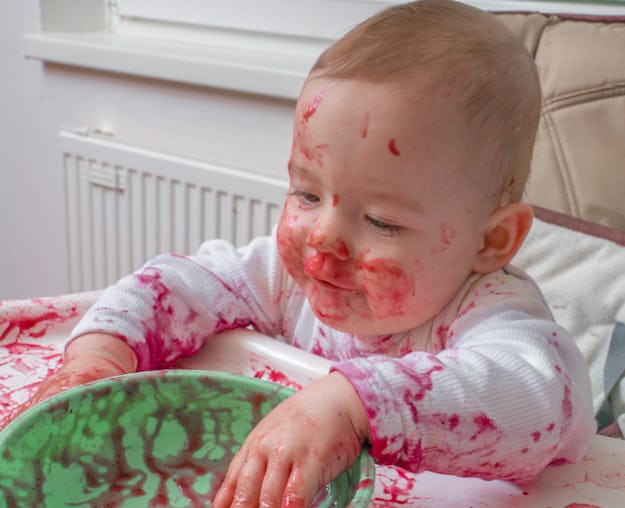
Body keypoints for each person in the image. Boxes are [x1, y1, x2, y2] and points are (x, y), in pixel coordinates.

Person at [20, 1, 595, 506]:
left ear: (490, 241)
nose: (322, 238)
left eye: (381, 220)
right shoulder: (285, 277)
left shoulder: (495, 309)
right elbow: (174, 285)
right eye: (306, 192)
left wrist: (354, 406)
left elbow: (539, 397)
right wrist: (100, 356)